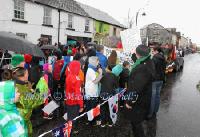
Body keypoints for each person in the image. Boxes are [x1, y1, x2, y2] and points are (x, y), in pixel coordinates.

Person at [125, 44, 155, 137]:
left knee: (136, 124)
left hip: (138, 101)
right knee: (137, 122)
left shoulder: (142, 68)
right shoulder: (148, 61)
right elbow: (138, 61)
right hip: (144, 98)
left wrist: (129, 102)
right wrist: (134, 55)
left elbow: (136, 88)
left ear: (139, 54)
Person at [13, 67, 44, 137]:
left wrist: (32, 91)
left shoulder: (21, 84)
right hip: (21, 121)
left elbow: (29, 95)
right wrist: (43, 95)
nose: (28, 75)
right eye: (27, 73)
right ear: (23, 76)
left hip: (23, 118)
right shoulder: (20, 89)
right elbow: (31, 102)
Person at [65, 61, 84, 134]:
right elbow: (78, 93)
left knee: (70, 116)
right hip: (75, 102)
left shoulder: (68, 76)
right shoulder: (77, 79)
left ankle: (68, 129)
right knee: (74, 117)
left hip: (69, 100)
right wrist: (81, 105)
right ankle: (71, 131)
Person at [148, 46, 166, 119]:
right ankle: (155, 111)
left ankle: (150, 114)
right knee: (157, 96)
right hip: (161, 79)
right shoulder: (163, 58)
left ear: (156, 51)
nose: (152, 51)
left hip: (154, 80)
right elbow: (164, 69)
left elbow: (151, 70)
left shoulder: (154, 58)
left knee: (152, 97)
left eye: (153, 50)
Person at [85, 56, 102, 125]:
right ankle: (91, 121)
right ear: (94, 62)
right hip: (91, 92)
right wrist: (100, 73)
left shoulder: (92, 69)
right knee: (92, 106)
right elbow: (95, 81)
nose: (98, 63)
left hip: (90, 91)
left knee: (90, 106)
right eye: (97, 61)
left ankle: (90, 120)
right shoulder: (91, 70)